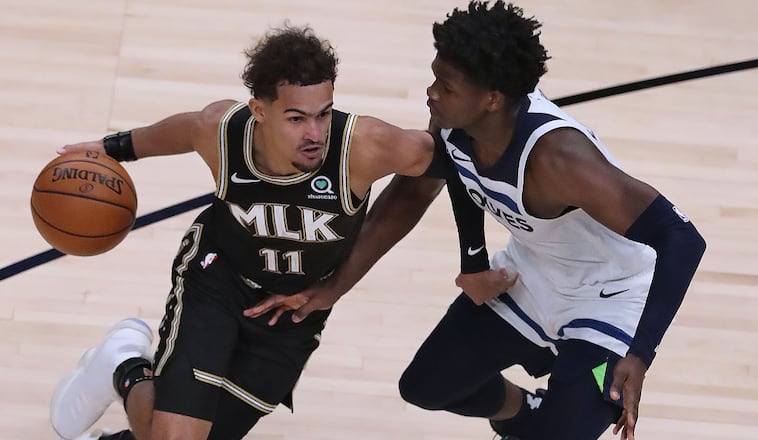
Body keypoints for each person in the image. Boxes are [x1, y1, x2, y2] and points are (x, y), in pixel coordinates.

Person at [245, 2, 707, 440]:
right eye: (435, 79)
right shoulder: (454, 124)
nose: (431, 92)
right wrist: (337, 287)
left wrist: (640, 351)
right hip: (532, 274)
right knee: (426, 385)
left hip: (610, 299)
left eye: (446, 86)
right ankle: (524, 412)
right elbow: (418, 190)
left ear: (491, 98)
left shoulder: (560, 158)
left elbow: (682, 239)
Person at [49, 24, 475, 440]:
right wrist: (112, 148)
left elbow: (441, 172)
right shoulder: (222, 130)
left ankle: (121, 364)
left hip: (295, 308)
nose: (315, 133)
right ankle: (125, 368)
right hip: (217, 279)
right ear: (259, 111)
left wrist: (336, 287)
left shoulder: (366, 145)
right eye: (296, 118)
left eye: (324, 113)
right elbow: (175, 131)